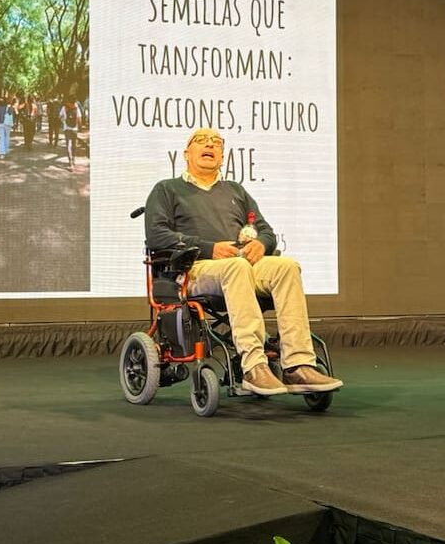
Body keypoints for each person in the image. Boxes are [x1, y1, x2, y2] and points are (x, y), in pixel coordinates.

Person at [144, 127, 342, 395]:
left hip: (241, 265)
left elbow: (266, 230)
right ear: (186, 154)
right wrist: (209, 248)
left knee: (287, 266)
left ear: (222, 157)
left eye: (216, 142)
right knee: (236, 266)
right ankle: (254, 367)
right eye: (201, 140)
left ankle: (298, 365)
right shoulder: (167, 189)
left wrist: (262, 244)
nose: (210, 145)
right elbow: (157, 236)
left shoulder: (235, 191)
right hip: (194, 269)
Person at [59, 97, 82, 170]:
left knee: (68, 145)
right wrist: (80, 127)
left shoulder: (64, 107)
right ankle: (74, 159)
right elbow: (79, 119)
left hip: (67, 129)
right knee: (74, 145)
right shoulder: (76, 108)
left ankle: (70, 162)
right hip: (75, 129)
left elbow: (59, 116)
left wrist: (63, 120)